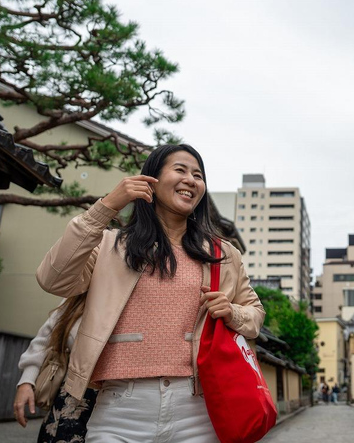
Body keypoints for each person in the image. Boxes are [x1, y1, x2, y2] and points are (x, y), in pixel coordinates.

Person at [36, 144, 266, 443]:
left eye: (198, 174)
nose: (191, 180)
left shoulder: (223, 254)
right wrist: (107, 207)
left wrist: (232, 311)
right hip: (119, 407)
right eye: (180, 170)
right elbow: (53, 278)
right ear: (151, 181)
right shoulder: (109, 246)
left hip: (197, 408)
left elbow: (255, 314)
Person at [13, 294, 98, 442]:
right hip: (69, 400)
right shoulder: (80, 291)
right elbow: (46, 339)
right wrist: (27, 380)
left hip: (115, 399)